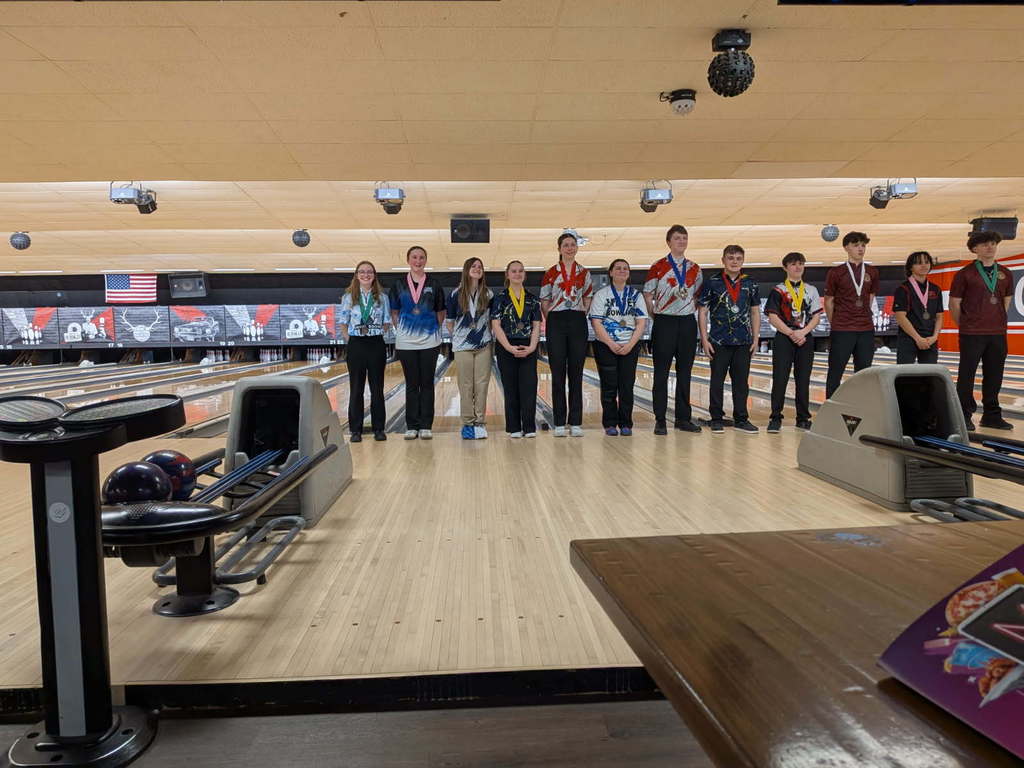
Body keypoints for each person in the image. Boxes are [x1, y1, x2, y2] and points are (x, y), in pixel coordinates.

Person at [950, 231, 1014, 431]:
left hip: (997, 333)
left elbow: (1006, 302)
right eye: (985, 244)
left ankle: (991, 416)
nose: (990, 247)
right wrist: (967, 324)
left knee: (995, 375)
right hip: (972, 333)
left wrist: (996, 322)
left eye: (993, 243)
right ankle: (964, 414)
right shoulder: (965, 274)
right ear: (975, 249)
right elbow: (954, 304)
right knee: (967, 375)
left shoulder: (1005, 273)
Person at [643, 224, 703, 435]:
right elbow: (648, 296)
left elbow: (697, 297)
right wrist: (656, 316)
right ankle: (660, 419)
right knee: (661, 373)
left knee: (685, 373)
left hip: (687, 322)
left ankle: (683, 419)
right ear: (669, 242)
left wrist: (686, 310)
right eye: (677, 238)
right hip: (664, 322)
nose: (682, 242)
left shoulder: (695, 268)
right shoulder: (658, 266)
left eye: (685, 238)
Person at [697, 245, 760, 434]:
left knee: (741, 382)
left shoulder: (750, 284)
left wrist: (756, 338)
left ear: (743, 261)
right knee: (717, 381)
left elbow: (755, 312)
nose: (734, 261)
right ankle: (716, 418)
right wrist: (704, 338)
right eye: (731, 258)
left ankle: (741, 419)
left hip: (743, 341)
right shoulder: (712, 282)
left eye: (738, 258)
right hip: (718, 341)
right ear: (723, 260)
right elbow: (703, 311)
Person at [388, 246, 446, 440]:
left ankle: (426, 425)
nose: (418, 261)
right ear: (408, 260)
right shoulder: (398, 284)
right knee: (412, 384)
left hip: (430, 341)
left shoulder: (434, 284)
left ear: (426, 260)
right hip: (406, 343)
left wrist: (432, 330)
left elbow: (441, 312)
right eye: (414, 257)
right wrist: (404, 330)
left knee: (427, 384)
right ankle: (411, 425)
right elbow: (394, 312)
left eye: (422, 257)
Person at [540, 232, 593, 437]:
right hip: (557, 321)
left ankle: (576, 422)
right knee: (558, 374)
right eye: (566, 245)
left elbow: (587, 297)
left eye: (572, 245)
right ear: (559, 249)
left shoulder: (584, 272)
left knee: (577, 373)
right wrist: (553, 318)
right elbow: (545, 301)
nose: (570, 248)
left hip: (577, 320)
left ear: (576, 248)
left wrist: (579, 313)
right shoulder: (551, 273)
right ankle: (560, 422)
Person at [589, 259, 648, 436]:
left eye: (625, 269)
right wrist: (611, 343)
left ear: (628, 273)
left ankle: (626, 424)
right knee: (609, 386)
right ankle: (610, 423)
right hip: (605, 346)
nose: (622, 271)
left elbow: (641, 323)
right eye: (618, 268)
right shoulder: (601, 294)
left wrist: (630, 345)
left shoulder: (636, 296)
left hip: (630, 346)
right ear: (611, 273)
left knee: (626, 386)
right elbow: (596, 322)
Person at [764, 252, 822, 433]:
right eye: (793, 264)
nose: (798, 267)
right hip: (784, 337)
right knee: (780, 379)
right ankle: (775, 418)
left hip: (805, 338)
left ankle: (803, 418)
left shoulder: (811, 290)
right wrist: (791, 333)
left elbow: (816, 317)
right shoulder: (778, 290)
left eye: (801, 264)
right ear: (785, 267)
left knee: (803, 380)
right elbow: (773, 317)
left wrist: (803, 332)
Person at [339, 260, 391, 442]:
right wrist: (351, 340)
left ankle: (379, 429)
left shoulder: (382, 298)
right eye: (362, 272)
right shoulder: (348, 297)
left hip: (376, 344)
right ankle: (355, 430)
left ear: (374, 275)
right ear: (356, 275)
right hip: (356, 345)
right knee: (356, 389)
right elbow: (343, 323)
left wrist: (375, 333)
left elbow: (386, 322)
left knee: (377, 389)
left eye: (369, 272)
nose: (366, 274)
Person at [823, 231, 880, 398]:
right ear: (846, 248)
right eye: (856, 245)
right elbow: (828, 301)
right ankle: (831, 406)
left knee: (864, 373)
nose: (861, 249)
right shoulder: (836, 272)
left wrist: (862, 315)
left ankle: (861, 405)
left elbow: (870, 297)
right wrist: (837, 323)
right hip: (842, 329)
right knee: (835, 371)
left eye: (863, 245)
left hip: (865, 329)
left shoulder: (872, 271)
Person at [491, 260, 542, 438]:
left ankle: (529, 427)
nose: (517, 274)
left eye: (521, 271)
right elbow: (496, 325)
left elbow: (536, 326)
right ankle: (514, 427)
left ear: (524, 275)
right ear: (507, 274)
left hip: (528, 345)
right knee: (510, 387)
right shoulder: (500, 298)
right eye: (514, 271)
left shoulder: (533, 299)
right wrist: (509, 347)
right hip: (506, 346)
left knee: (529, 387)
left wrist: (532, 347)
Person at [447, 257, 493, 440]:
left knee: (481, 385)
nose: (477, 269)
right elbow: (449, 322)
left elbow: (491, 320)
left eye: (480, 267)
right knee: (465, 385)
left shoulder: (488, 294)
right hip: (462, 346)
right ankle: (467, 423)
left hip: (484, 345)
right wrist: (461, 337)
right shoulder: (455, 294)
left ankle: (480, 422)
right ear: (466, 270)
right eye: (473, 266)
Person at [892, 251, 943, 365]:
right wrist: (917, 338)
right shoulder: (903, 289)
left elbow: (939, 316)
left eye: (926, 262)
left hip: (930, 339)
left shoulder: (936, 289)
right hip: (909, 338)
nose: (924, 265)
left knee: (929, 376)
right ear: (910, 267)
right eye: (919, 263)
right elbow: (900, 317)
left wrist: (935, 337)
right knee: (905, 376)